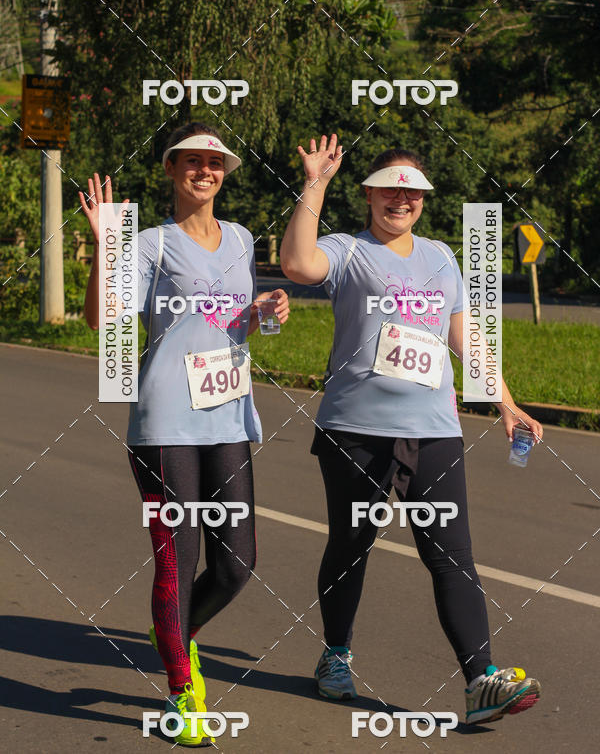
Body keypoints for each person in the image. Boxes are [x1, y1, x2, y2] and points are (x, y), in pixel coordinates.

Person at [279, 133, 543, 726]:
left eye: (413, 192)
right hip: (354, 430)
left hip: (434, 430)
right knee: (351, 546)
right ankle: (336, 655)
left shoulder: (443, 257)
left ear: (423, 200)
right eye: (389, 189)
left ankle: (480, 681)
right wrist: (314, 182)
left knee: (451, 556)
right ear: (369, 194)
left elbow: (464, 338)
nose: (401, 199)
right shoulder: (346, 251)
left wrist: (505, 402)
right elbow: (297, 264)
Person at [80, 122, 289, 745]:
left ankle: (173, 630)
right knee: (180, 559)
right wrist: (105, 250)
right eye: (192, 161)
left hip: (227, 417)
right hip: (165, 422)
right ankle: (180, 690)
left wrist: (264, 313)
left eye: (215, 161)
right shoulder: (148, 244)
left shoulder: (244, 239)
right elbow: (101, 320)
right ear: (171, 170)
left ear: (225, 172)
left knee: (238, 565)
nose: (205, 170)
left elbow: (229, 324)